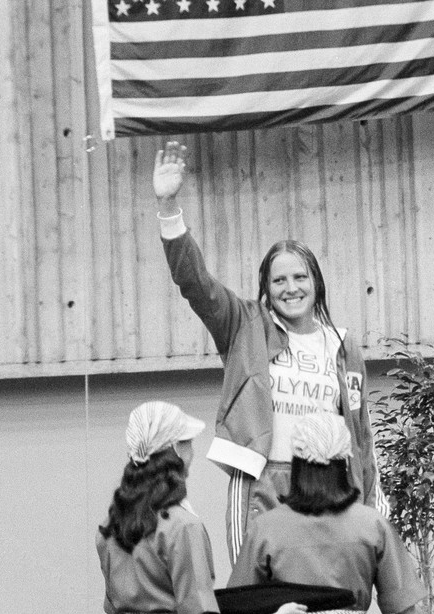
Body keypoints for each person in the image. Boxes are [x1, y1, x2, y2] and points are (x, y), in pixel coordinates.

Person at [152, 142, 389, 566]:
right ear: (266, 287)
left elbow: (360, 432)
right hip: (261, 480)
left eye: (300, 276)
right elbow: (196, 283)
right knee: (259, 591)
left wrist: (373, 500)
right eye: (279, 279)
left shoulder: (342, 344)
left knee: (323, 589)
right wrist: (169, 209)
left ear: (316, 282)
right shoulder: (244, 326)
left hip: (327, 482)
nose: (290, 287)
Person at [96, 401, 308, 614]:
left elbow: (116, 613)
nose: (192, 452)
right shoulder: (183, 527)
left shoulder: (109, 528)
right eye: (188, 443)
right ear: (176, 449)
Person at [228, 411, 425, 614]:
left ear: (296, 462)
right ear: (345, 461)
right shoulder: (373, 525)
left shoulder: (265, 528)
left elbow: (240, 609)